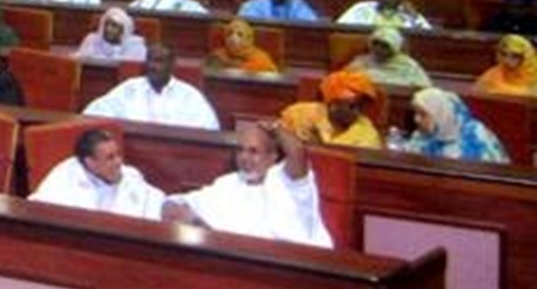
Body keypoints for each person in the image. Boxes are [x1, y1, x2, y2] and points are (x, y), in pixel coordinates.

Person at [161, 123, 332, 248]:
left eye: (253, 151)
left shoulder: (286, 181)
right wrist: (179, 211)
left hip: (291, 263)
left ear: (272, 156)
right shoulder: (228, 183)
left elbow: (297, 151)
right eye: (240, 150)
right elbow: (176, 203)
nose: (244, 157)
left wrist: (275, 127)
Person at [29, 128, 165, 219]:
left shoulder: (129, 175)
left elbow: (154, 200)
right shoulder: (65, 178)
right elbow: (38, 208)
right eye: (110, 158)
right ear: (90, 162)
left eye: (118, 154)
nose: (119, 162)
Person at [84, 45, 220, 129]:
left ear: (172, 65)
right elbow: (93, 113)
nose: (152, 66)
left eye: (159, 61)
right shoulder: (130, 89)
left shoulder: (189, 96)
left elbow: (210, 128)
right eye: (149, 60)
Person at [278, 70, 384, 148]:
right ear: (333, 105)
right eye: (352, 106)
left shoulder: (367, 133)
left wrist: (318, 146)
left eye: (361, 107)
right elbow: (277, 139)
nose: (357, 112)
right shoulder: (299, 113)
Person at [404, 88, 509, 163]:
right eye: (415, 113)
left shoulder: (476, 136)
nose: (416, 119)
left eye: (423, 114)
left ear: (441, 114)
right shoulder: (422, 134)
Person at [346, 26, 433, 88]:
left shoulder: (409, 65)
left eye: (384, 45)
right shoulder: (361, 61)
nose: (378, 48)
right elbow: (345, 81)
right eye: (375, 43)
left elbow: (424, 88)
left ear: (394, 47)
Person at [205, 19, 278, 74]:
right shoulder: (218, 57)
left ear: (249, 39)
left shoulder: (261, 59)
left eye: (240, 34)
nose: (233, 38)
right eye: (229, 34)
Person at [74, 7, 148, 61]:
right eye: (106, 24)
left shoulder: (135, 46)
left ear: (123, 30)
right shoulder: (92, 40)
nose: (108, 29)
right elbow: (78, 58)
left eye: (114, 26)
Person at [473, 34, 537, 96]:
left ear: (526, 57)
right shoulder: (495, 72)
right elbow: (477, 91)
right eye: (504, 54)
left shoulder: (534, 74)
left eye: (515, 56)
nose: (507, 60)